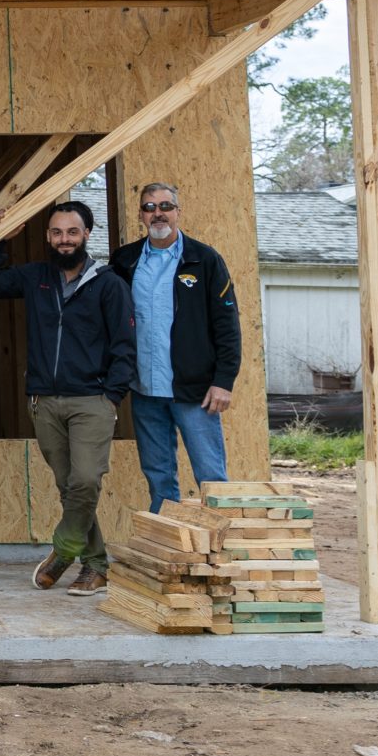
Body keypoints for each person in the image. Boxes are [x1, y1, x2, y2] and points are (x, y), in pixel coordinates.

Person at [0, 202, 136, 596]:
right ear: (47, 236)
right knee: (68, 486)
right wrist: (0, 239)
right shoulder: (36, 277)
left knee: (86, 480)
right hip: (45, 400)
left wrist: (112, 397)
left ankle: (63, 550)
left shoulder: (109, 283)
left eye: (72, 232)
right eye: (57, 233)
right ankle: (95, 566)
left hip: (93, 400)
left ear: (87, 235)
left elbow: (126, 347)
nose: (64, 240)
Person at [110, 182, 243, 511]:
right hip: (144, 391)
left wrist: (223, 381)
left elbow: (227, 326)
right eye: (150, 207)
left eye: (165, 206)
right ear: (141, 215)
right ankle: (166, 552)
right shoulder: (125, 261)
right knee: (158, 476)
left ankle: (220, 550)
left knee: (210, 474)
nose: (158, 213)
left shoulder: (204, 260)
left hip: (194, 391)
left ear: (178, 212)